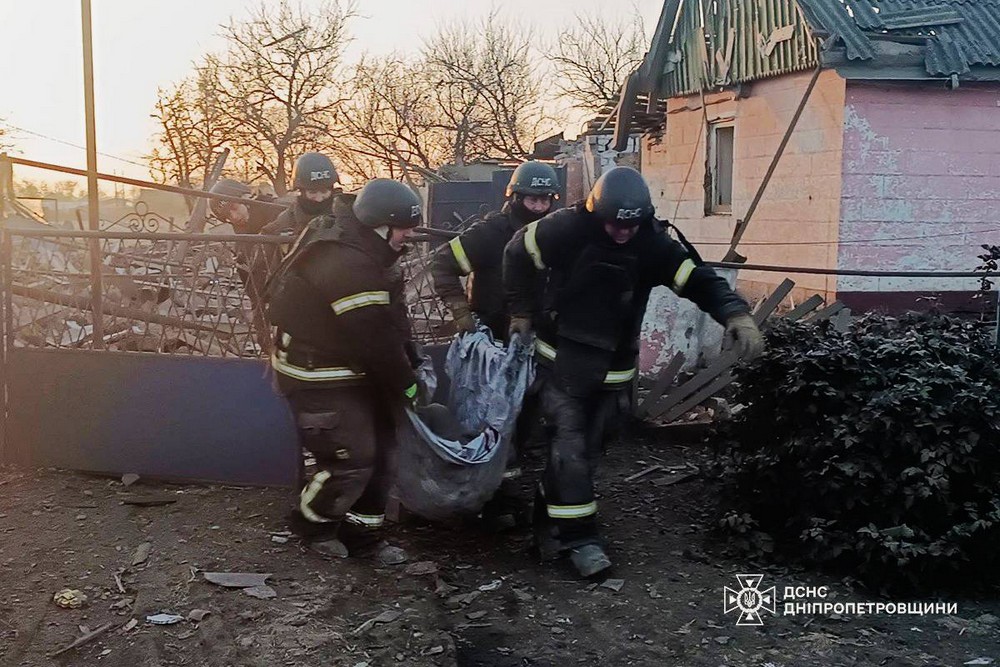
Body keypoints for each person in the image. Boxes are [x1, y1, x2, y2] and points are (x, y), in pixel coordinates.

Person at [503, 166, 765, 577]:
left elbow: (695, 278)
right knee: (568, 448)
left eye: (632, 225)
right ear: (596, 211)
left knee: (588, 454)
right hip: (562, 360)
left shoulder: (652, 243)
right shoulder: (563, 230)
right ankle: (582, 541)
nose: (623, 233)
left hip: (616, 368)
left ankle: (547, 517)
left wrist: (735, 313)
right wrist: (521, 309)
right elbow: (515, 254)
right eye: (614, 224)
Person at [265, 178, 424, 564]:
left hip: (350, 362)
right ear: (379, 225)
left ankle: (364, 535)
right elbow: (375, 339)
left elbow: (387, 326)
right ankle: (312, 524)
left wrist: (407, 365)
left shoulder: (359, 244)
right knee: (351, 457)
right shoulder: (346, 263)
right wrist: (408, 386)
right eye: (404, 227)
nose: (410, 235)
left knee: (385, 450)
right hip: (317, 370)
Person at [431, 161, 560, 338]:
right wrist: (460, 309)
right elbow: (443, 263)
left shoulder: (554, 234)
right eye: (533, 200)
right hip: (493, 339)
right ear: (516, 198)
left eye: (545, 200)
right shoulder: (490, 232)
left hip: (539, 335)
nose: (539, 208)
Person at [261, 152, 340, 238]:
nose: (319, 198)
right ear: (301, 192)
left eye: (324, 192)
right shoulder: (288, 219)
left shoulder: (346, 214)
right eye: (312, 192)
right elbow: (263, 241)